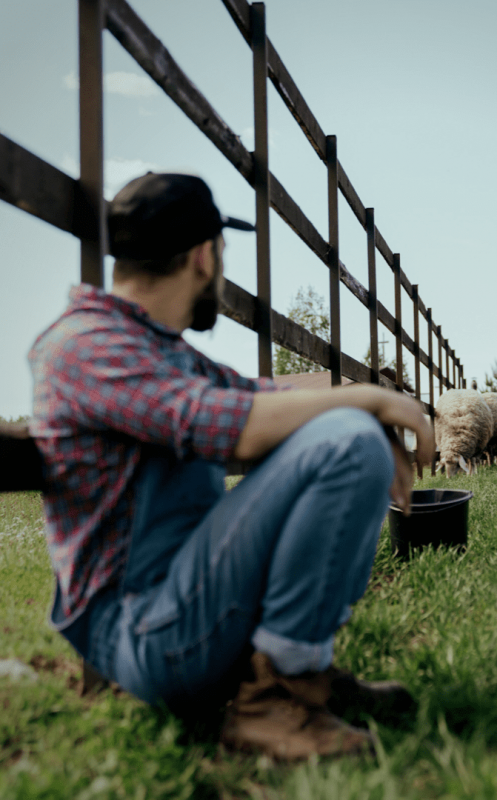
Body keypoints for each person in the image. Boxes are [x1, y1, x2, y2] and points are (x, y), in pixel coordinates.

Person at [28, 172, 434, 761]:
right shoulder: (86, 347)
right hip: (142, 630)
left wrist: (359, 410)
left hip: (179, 600)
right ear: (203, 255)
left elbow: (259, 397)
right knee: (346, 439)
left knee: (343, 432)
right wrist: (370, 401)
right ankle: (275, 699)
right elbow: (221, 422)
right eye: (222, 253)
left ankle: (294, 677)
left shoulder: (156, 349)